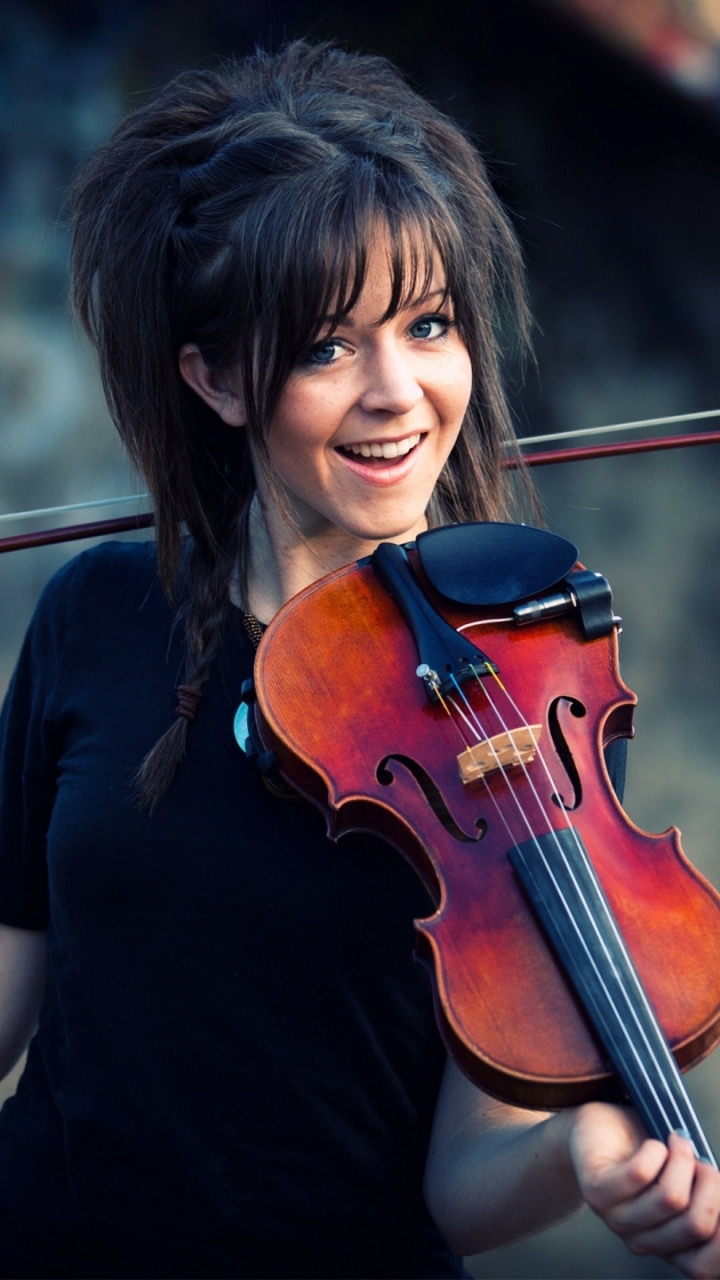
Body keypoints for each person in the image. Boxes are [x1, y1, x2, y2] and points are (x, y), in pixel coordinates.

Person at [0, 39, 718, 1280]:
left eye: (430, 324)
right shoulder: (99, 612)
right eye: (329, 346)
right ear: (216, 378)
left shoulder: (520, 675)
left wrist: (583, 1156)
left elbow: (455, 1180)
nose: (401, 393)